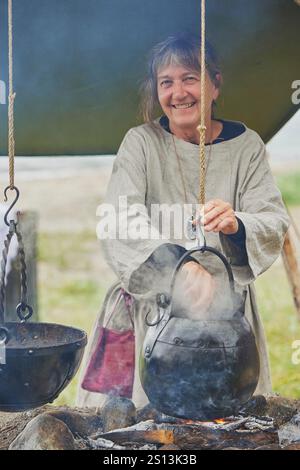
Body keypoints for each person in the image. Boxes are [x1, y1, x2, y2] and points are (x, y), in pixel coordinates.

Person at [76, 33, 290, 409]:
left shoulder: (247, 147)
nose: (179, 92)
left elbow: (272, 220)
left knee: (227, 424)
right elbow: (118, 221)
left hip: (224, 323)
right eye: (166, 82)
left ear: (215, 84)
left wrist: (237, 224)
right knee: (131, 432)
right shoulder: (141, 143)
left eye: (190, 77)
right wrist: (180, 267)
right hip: (147, 315)